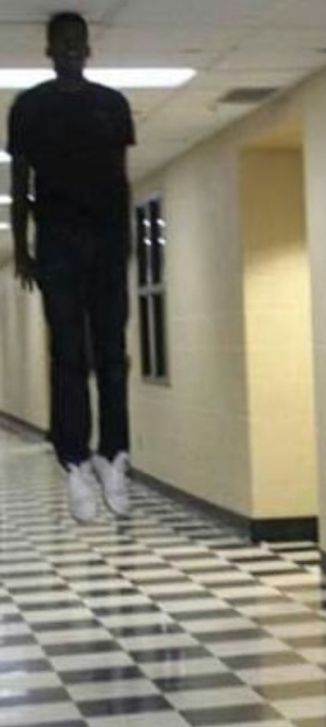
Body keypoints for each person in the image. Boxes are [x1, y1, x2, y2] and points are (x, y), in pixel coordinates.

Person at [8, 11, 135, 522]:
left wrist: (126, 239)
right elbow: (20, 184)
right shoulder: (29, 107)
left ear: (89, 48)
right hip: (58, 239)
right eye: (62, 42)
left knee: (111, 352)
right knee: (68, 354)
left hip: (106, 239)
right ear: (48, 49)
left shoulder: (113, 105)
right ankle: (74, 461)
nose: (71, 49)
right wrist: (22, 246)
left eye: (79, 41)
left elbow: (123, 180)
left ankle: (113, 455)